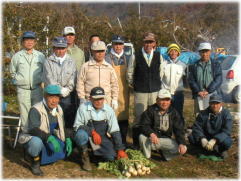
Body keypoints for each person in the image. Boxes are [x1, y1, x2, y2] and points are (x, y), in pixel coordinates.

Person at [19, 85, 73, 176]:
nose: (54, 100)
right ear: (45, 96)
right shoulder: (36, 109)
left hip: (48, 135)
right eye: (51, 97)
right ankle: (34, 162)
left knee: (63, 150)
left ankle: (40, 155)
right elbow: (33, 130)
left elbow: (61, 127)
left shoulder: (59, 109)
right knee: (36, 143)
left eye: (57, 97)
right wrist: (50, 138)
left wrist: (67, 138)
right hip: (33, 136)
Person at [73, 87, 128, 171]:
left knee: (110, 158)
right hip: (88, 137)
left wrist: (120, 149)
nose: (99, 102)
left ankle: (94, 155)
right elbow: (77, 126)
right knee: (80, 134)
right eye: (96, 99)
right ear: (90, 98)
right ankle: (85, 158)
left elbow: (115, 130)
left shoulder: (109, 110)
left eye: (101, 99)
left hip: (102, 139)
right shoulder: (82, 108)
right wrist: (92, 132)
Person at [10, 31, 45, 133]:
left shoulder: (40, 56)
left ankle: (38, 134)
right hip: (23, 90)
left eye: (31, 40)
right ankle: (26, 136)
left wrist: (41, 83)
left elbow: (45, 71)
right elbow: (12, 72)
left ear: (35, 42)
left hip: (37, 89)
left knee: (37, 112)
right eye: (27, 40)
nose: (29, 42)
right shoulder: (17, 56)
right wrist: (19, 80)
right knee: (25, 114)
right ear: (23, 42)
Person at [138, 89, 187, 161]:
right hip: (153, 139)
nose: (165, 103)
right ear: (157, 100)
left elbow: (179, 129)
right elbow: (143, 125)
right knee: (141, 137)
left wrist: (181, 143)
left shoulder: (174, 112)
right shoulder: (150, 110)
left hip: (165, 139)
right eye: (162, 100)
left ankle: (165, 155)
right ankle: (147, 157)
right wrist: (151, 133)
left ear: (170, 101)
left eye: (167, 100)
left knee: (183, 148)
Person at [105, 35, 135, 145]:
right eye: (116, 44)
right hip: (111, 93)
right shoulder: (107, 58)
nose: (118, 46)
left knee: (124, 116)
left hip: (124, 93)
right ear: (112, 44)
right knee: (111, 117)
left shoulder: (129, 58)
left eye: (120, 44)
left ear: (123, 45)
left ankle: (123, 141)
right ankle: (112, 142)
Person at [127, 32, 162, 124]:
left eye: (151, 42)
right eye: (146, 42)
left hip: (155, 91)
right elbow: (130, 73)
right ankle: (138, 136)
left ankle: (152, 134)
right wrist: (135, 84)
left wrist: (156, 83)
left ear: (154, 43)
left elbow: (161, 72)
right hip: (140, 91)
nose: (148, 44)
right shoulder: (135, 56)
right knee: (140, 115)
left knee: (154, 114)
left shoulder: (159, 56)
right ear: (143, 43)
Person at [43, 36, 77, 128]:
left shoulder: (71, 61)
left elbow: (73, 77)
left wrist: (68, 89)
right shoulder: (48, 61)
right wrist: (59, 89)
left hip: (66, 95)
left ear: (66, 48)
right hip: (52, 94)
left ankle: (66, 137)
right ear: (54, 48)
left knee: (67, 117)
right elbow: (49, 78)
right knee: (52, 118)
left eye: (63, 48)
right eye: (58, 48)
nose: (60, 51)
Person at [76, 40, 119, 110]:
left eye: (102, 51)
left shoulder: (109, 67)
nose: (100, 53)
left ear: (105, 51)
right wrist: (82, 98)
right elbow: (80, 84)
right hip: (89, 102)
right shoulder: (85, 67)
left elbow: (114, 85)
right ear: (92, 52)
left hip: (106, 103)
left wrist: (114, 99)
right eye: (97, 51)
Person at [188, 93, 232, 159]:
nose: (215, 106)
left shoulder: (226, 114)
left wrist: (215, 140)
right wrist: (202, 138)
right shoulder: (203, 113)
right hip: (206, 137)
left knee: (227, 142)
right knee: (191, 137)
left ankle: (220, 150)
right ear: (209, 104)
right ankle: (206, 148)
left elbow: (227, 130)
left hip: (219, 139)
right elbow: (197, 127)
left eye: (217, 103)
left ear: (221, 104)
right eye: (212, 103)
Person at [188, 42, 222, 116]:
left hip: (212, 94)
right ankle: (199, 127)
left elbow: (218, 79)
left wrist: (208, 90)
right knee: (199, 114)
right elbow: (191, 80)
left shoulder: (216, 64)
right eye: (202, 52)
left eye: (206, 51)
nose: (204, 54)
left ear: (210, 52)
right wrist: (198, 91)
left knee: (213, 113)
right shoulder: (194, 65)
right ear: (199, 53)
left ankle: (211, 127)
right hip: (199, 94)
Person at [160, 43, 187, 119]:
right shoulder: (163, 64)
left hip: (178, 93)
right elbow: (160, 78)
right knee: (166, 113)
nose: (173, 53)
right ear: (168, 52)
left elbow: (185, 79)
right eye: (171, 51)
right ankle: (166, 130)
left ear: (178, 53)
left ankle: (179, 130)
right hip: (166, 93)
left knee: (178, 113)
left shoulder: (183, 65)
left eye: (175, 51)